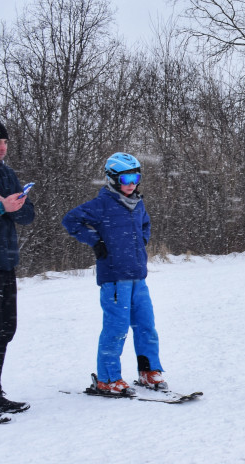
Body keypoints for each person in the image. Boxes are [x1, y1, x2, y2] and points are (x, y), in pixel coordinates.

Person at [62, 152, 166, 396]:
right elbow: (70, 220)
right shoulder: (102, 204)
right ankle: (108, 378)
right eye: (126, 178)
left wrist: (141, 242)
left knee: (146, 326)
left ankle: (148, 371)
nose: (131, 183)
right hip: (114, 278)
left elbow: (145, 225)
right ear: (111, 179)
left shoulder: (138, 203)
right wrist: (95, 242)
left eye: (136, 177)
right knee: (116, 328)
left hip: (138, 277)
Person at [0, 117, 34, 417]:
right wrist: (3, 207)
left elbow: (28, 214)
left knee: (5, 329)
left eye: (5, 141)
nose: (2, 147)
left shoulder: (6, 172)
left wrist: (10, 205)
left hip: (5, 262)